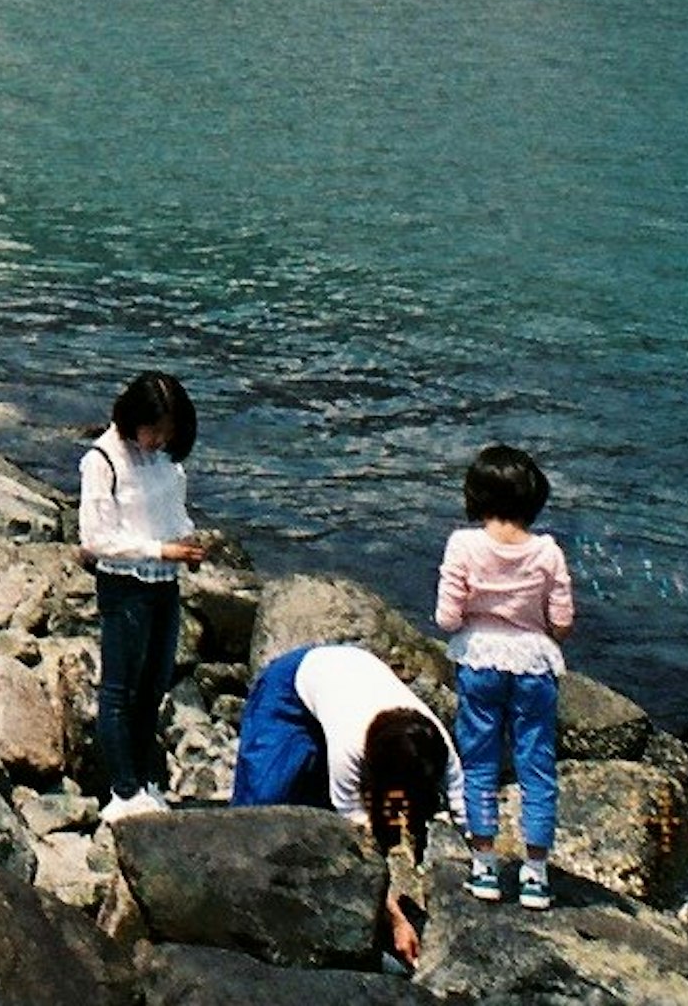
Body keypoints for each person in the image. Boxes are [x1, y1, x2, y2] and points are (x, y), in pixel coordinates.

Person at [234, 640, 459, 965]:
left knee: (314, 811)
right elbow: (355, 843)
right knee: (261, 807)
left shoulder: (438, 749)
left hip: (350, 677)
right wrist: (396, 921)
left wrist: (486, 868)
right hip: (292, 685)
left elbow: (466, 809)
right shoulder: (350, 747)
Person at [437, 444, 575, 909]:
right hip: (534, 665)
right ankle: (535, 873)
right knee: (537, 765)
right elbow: (562, 622)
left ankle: (485, 866)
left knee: (480, 764)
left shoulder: (463, 545)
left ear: (475, 495)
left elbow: (447, 618)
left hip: (479, 660)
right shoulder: (548, 552)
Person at [79, 372, 204, 822]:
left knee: (153, 686)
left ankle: (145, 778)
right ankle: (124, 790)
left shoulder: (165, 462)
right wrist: (159, 549)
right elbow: (95, 538)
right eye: (155, 430)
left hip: (164, 580)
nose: (159, 441)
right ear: (133, 418)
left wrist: (185, 544)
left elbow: (173, 512)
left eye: (168, 433)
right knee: (118, 689)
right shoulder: (103, 460)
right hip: (125, 582)